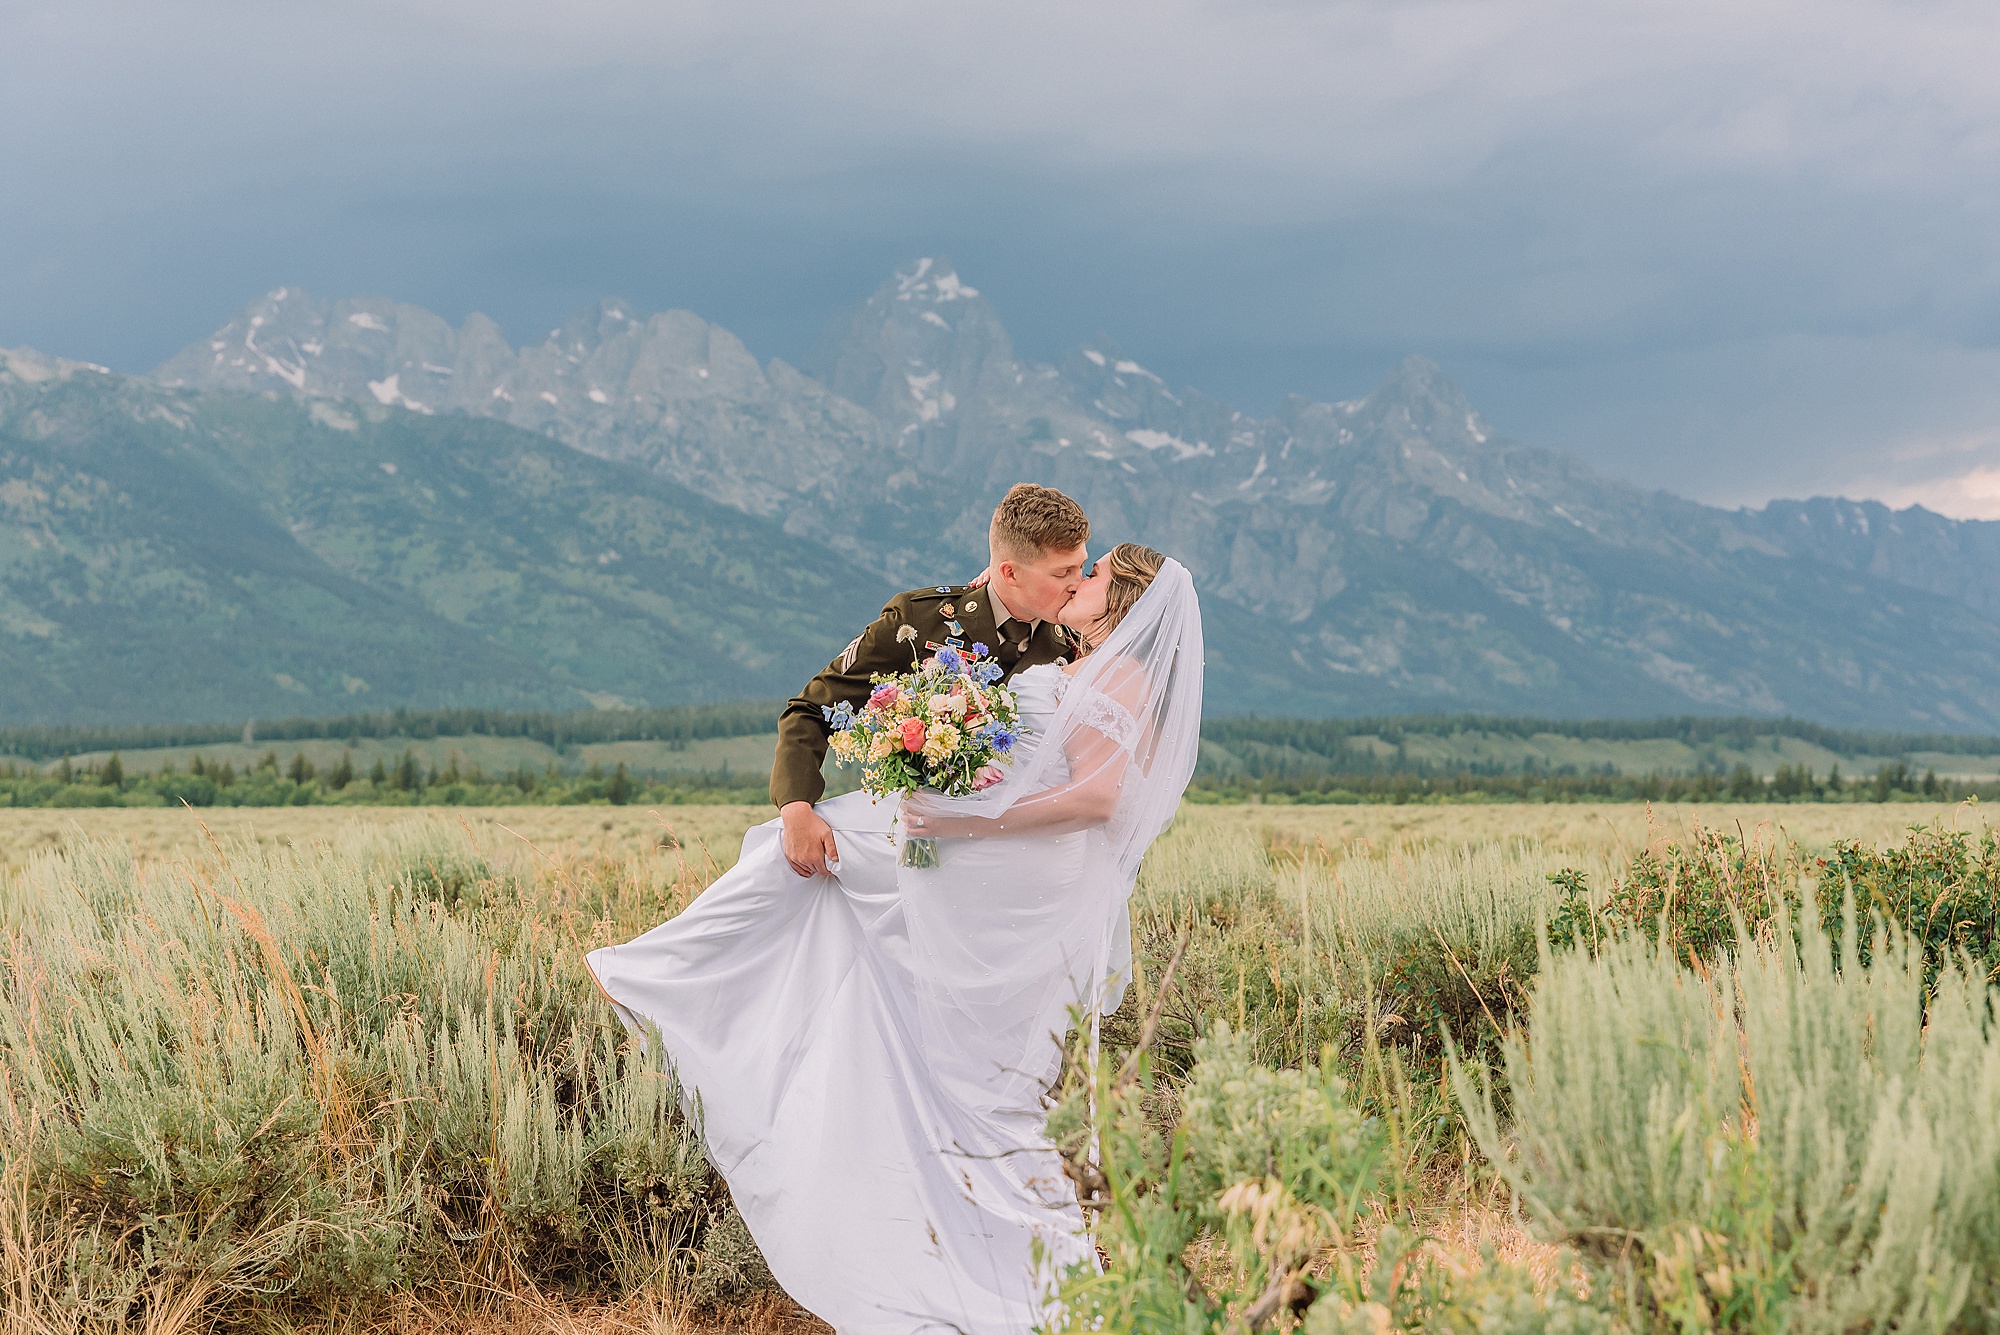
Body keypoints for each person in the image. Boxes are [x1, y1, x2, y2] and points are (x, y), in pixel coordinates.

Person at [585, 529, 1205, 1334]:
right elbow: (827, 703)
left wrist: (970, 817)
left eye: (1090, 574)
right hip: (988, 856)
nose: (1079, 580)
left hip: (1017, 873)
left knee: (993, 1070)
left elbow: (1098, 799)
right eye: (1068, 569)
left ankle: (1037, 1267)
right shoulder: (984, 632)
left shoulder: (1110, 668)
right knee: (817, 851)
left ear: (1121, 600)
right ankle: (678, 982)